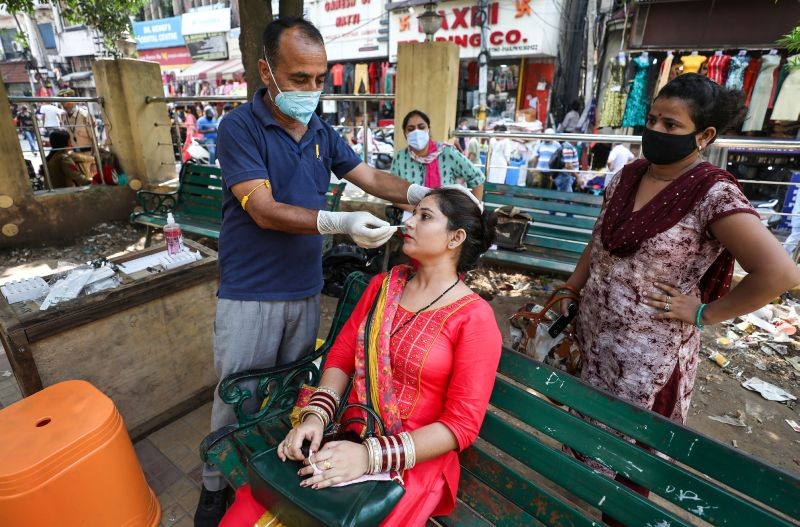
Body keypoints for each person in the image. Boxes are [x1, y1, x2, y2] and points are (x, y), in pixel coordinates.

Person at [196, 18, 429, 526]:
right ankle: (214, 487)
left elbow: (367, 176)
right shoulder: (239, 127)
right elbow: (260, 208)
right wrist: (338, 222)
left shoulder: (322, 130)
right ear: (266, 71)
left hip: (304, 288)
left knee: (286, 393)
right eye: (299, 78)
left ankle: (262, 481)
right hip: (251, 290)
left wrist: (420, 195)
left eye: (320, 78)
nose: (312, 89)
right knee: (236, 394)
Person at [559, 73, 800, 525]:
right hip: (594, 336)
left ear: (704, 135)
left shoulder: (714, 194)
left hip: (649, 358)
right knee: (585, 433)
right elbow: (599, 243)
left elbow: (780, 273)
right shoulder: (627, 175)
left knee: (629, 459)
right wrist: (572, 288)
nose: (655, 131)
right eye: (651, 119)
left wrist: (706, 313)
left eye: (671, 125)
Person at [274, 187, 502, 527]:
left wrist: (370, 456)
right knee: (269, 505)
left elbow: (461, 426)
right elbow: (341, 355)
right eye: (412, 213)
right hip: (346, 435)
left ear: (456, 238)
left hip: (412, 461)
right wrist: (316, 418)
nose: (408, 222)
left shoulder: (475, 319)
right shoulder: (384, 285)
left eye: (424, 216)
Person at [390, 110, 485, 219]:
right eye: (411, 129)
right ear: (405, 134)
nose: (416, 132)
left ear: (428, 130)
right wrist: (419, 211)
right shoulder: (400, 158)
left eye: (421, 127)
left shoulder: (446, 153)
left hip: (446, 217)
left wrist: (473, 214)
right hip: (412, 216)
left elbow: (477, 178)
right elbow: (392, 192)